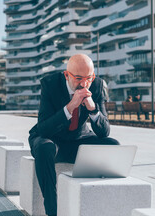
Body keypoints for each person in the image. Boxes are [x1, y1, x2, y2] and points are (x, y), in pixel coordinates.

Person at [28, 54, 119, 216]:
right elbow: (44, 128)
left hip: (78, 141)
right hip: (51, 140)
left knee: (113, 145)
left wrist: (93, 109)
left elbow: (104, 132)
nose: (84, 84)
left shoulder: (96, 86)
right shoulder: (50, 84)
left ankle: (99, 206)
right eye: (78, 78)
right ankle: (52, 210)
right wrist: (70, 107)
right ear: (66, 75)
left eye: (89, 78)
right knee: (45, 147)